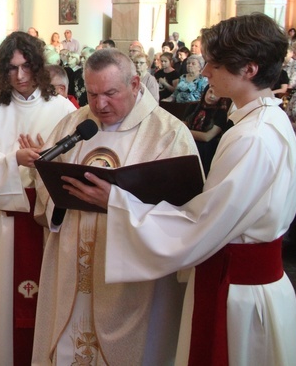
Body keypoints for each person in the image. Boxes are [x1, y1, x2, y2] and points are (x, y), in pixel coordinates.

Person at [65, 13, 296, 365]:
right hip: (248, 286)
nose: (205, 72)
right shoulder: (267, 119)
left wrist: (117, 202)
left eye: (214, 64)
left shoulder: (252, 138)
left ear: (249, 69)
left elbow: (201, 226)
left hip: (238, 294)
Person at [32, 48, 198, 365]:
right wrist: (59, 198)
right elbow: (45, 183)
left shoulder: (169, 134)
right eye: (92, 94)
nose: (100, 105)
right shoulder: (74, 124)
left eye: (110, 93)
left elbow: (184, 216)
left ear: (135, 84)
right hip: (72, 271)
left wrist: (115, 202)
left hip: (132, 285)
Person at [0, 31, 75, 366]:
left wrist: (48, 159)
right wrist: (15, 159)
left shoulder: (61, 108)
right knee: (1, 305)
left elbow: (75, 162)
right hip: (5, 222)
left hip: (48, 219)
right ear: (3, 71)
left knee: (49, 299)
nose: (20, 76)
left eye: (26, 66)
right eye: (12, 68)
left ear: (38, 66)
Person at [184, 85, 231, 173]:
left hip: (206, 148)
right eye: (210, 92)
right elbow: (182, 126)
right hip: (187, 141)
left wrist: (186, 132)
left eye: (216, 94)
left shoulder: (221, 113)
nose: (212, 96)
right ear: (205, 92)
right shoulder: (192, 106)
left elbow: (207, 137)